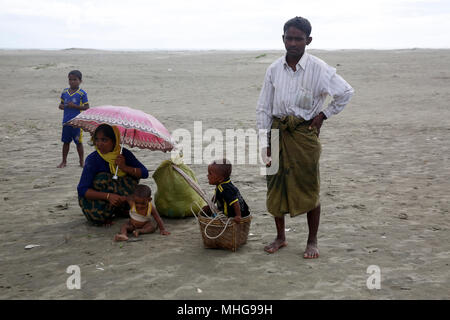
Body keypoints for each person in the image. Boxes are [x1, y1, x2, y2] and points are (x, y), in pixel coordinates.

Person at [256, 16, 354, 258]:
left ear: (308, 40)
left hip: (304, 136)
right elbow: (263, 108)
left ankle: (312, 241)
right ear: (283, 39)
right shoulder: (274, 69)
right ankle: (280, 237)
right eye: (288, 38)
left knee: (309, 187)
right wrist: (264, 142)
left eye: (298, 39)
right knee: (274, 186)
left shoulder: (319, 69)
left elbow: (345, 92)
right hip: (277, 132)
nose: (292, 43)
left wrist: (323, 115)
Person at [77, 124, 149, 226]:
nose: (99, 144)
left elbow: (144, 173)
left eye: (104, 140)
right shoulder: (93, 159)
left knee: (136, 184)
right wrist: (108, 196)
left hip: (122, 199)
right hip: (100, 201)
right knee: (103, 179)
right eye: (96, 139)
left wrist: (124, 167)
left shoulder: (123, 154)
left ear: (114, 141)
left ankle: (120, 209)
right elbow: (82, 189)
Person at [57, 70, 89, 168]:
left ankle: (81, 162)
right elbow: (60, 105)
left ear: (80, 81)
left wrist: (75, 106)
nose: (72, 82)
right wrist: (62, 106)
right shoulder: (65, 92)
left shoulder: (82, 93)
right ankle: (64, 161)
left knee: (78, 142)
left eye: (75, 80)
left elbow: (86, 107)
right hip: (66, 122)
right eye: (70, 79)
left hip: (77, 123)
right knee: (66, 142)